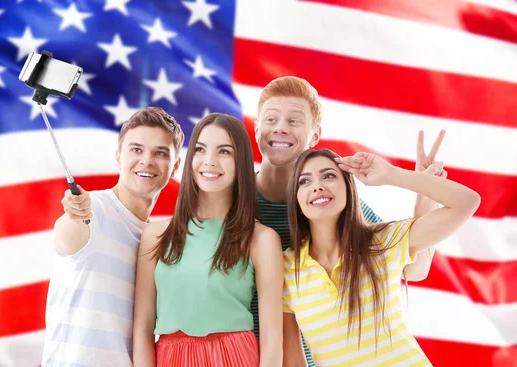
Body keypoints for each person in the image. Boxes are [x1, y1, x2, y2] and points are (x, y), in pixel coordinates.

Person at [251, 76, 446, 365]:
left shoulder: (336, 205)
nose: (280, 127)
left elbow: (414, 270)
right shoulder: (231, 204)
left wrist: (423, 196)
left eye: (294, 120)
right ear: (257, 128)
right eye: (271, 119)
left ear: (315, 136)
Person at [282, 149, 480, 366]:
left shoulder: (382, 241)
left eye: (328, 175)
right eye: (304, 181)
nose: (317, 186)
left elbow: (467, 202)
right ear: (295, 198)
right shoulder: (286, 267)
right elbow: (293, 360)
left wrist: (391, 174)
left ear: (349, 188)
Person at [133, 113, 284, 367]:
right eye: (200, 150)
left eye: (224, 152)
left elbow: (272, 339)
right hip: (170, 356)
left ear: (241, 163)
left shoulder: (261, 239)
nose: (209, 161)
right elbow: (142, 329)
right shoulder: (156, 235)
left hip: (234, 356)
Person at [41, 107, 184, 366]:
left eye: (160, 153)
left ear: (175, 166)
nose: (147, 161)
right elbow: (68, 235)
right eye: (136, 150)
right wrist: (75, 214)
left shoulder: (156, 239)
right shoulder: (92, 210)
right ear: (119, 158)